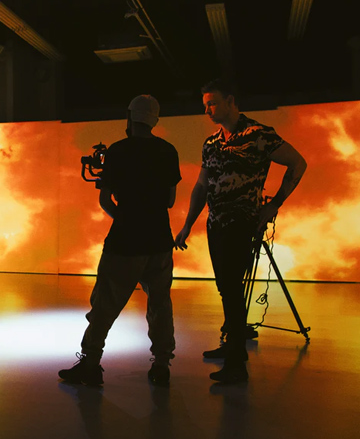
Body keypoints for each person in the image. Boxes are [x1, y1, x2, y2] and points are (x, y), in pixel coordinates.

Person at [174, 79, 307, 383]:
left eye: (213, 103)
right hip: (216, 222)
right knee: (226, 287)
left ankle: (236, 361)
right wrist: (188, 224)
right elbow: (202, 184)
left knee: (232, 288)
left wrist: (274, 205)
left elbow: (297, 163)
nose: (207, 109)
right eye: (205, 104)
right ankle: (233, 346)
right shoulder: (212, 143)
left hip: (241, 221)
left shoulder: (258, 135)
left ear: (231, 101)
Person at [59, 95, 181, 387]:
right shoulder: (168, 151)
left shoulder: (118, 151)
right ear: (155, 119)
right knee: (160, 305)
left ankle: (90, 363)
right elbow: (170, 200)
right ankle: (161, 364)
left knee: (105, 304)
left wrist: (124, 216)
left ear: (130, 117)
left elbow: (105, 200)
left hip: (125, 241)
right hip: (160, 241)